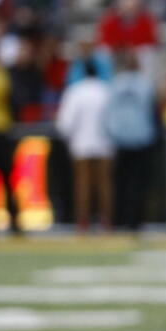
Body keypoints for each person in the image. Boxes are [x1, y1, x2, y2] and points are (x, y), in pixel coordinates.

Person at [103, 51, 160, 231]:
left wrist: (112, 133)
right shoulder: (145, 84)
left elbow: (109, 113)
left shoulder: (116, 83)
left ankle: (121, 219)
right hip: (141, 139)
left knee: (121, 182)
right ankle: (136, 220)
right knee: (138, 183)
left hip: (121, 139)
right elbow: (153, 112)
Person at [56, 60, 113, 232]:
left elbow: (65, 123)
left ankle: (83, 221)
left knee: (83, 185)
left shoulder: (75, 91)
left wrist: (68, 138)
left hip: (81, 145)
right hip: (104, 145)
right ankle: (107, 220)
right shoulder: (106, 91)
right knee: (104, 185)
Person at [0, 46, 20, 234]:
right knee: (8, 178)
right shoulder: (2, 75)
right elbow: (12, 100)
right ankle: (13, 219)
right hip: (0, 130)